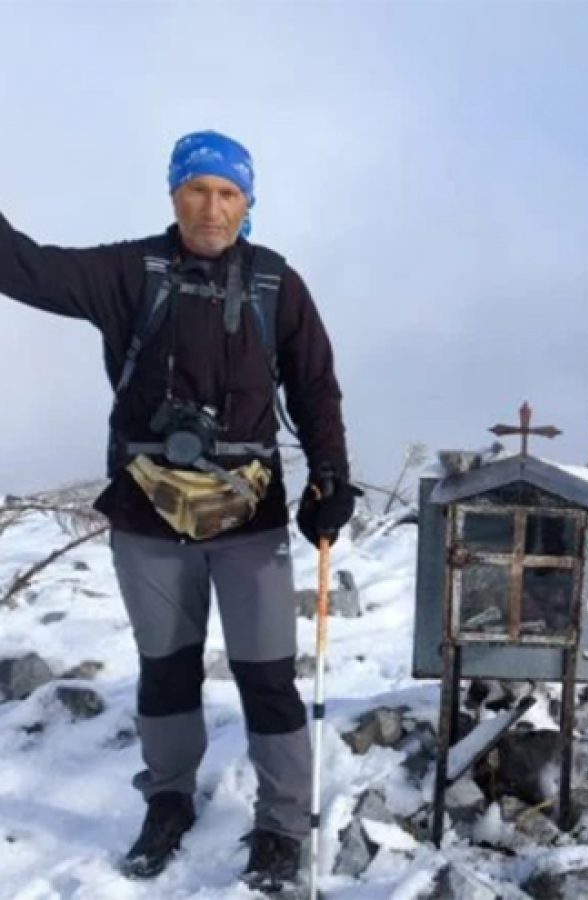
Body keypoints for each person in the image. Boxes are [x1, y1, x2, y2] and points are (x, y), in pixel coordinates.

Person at [0, 130, 358, 892]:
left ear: (249, 204)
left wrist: (332, 475)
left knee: (267, 677)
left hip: (250, 517)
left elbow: (314, 385)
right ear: (173, 194)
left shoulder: (273, 284)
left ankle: (282, 824)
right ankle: (168, 802)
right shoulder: (132, 272)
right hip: (146, 512)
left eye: (229, 193)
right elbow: (21, 265)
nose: (212, 207)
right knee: (166, 670)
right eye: (198, 189)